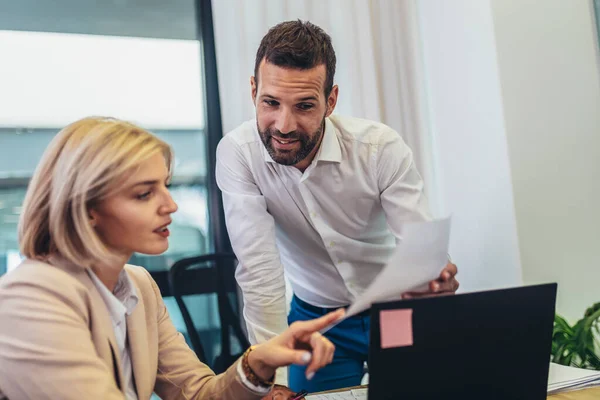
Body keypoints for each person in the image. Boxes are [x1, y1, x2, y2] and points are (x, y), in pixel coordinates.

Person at [0, 117, 343, 400]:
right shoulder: (28, 299)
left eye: (166, 186)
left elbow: (195, 393)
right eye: (144, 193)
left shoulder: (138, 286)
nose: (170, 205)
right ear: (87, 207)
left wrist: (258, 363)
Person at [216, 20, 460, 395]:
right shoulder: (238, 155)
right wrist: (272, 382)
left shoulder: (378, 148)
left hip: (392, 311)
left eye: (304, 106)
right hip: (318, 322)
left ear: (331, 101)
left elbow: (419, 242)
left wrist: (433, 278)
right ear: (253, 91)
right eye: (271, 102)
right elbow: (259, 269)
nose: (284, 125)